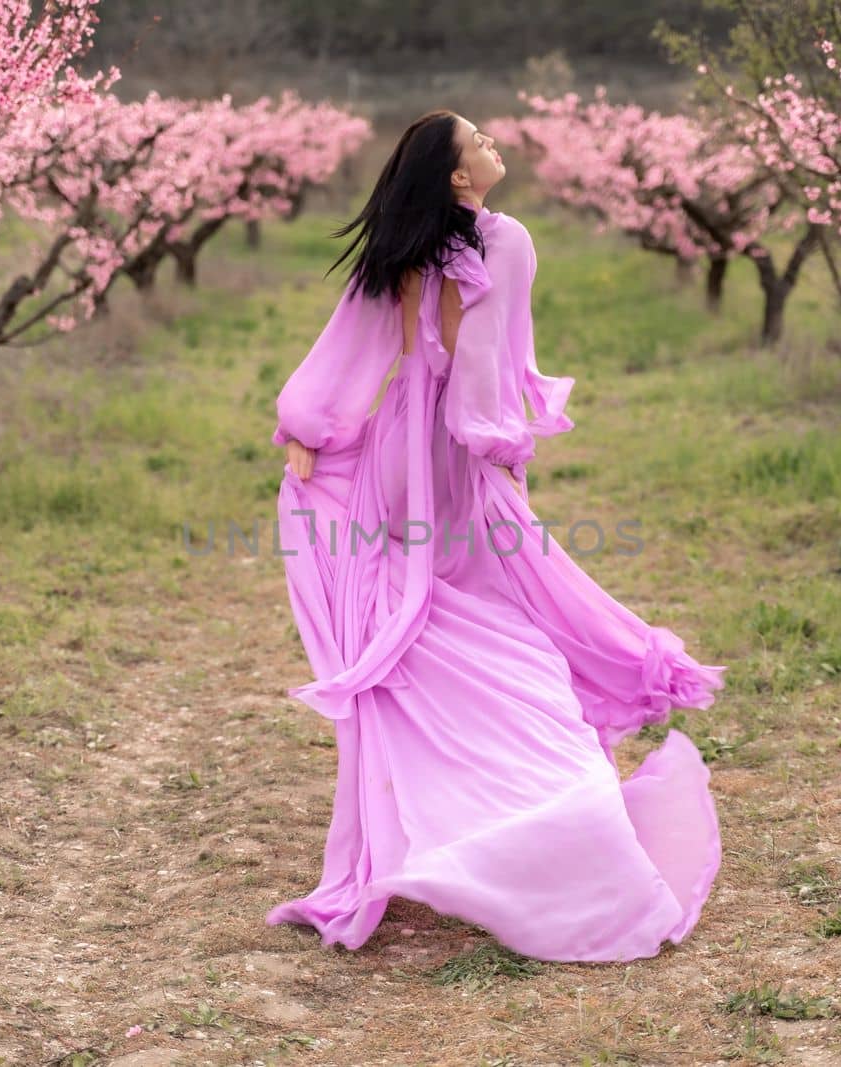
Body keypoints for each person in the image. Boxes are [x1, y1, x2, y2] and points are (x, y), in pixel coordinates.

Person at [267, 108, 726, 963]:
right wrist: (501, 457)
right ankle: (551, 820)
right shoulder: (502, 240)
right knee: (509, 624)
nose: (492, 144)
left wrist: (306, 425)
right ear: (455, 175)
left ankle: (465, 817)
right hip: (452, 457)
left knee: (421, 627)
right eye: (477, 139)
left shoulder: (398, 254)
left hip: (389, 458)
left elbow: (349, 354)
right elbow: (482, 373)